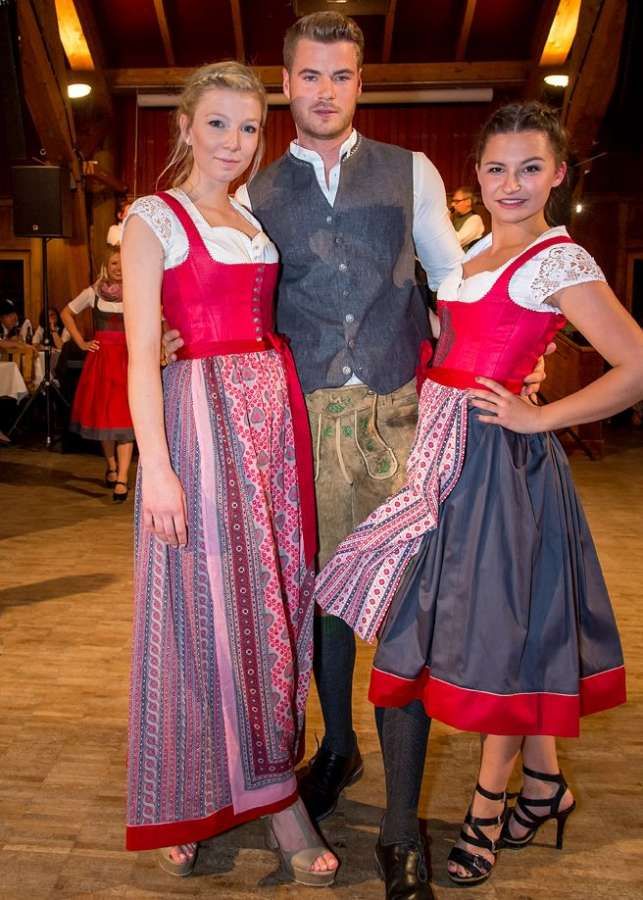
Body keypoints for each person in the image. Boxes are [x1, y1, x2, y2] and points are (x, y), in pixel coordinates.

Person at [161, 14, 548, 897]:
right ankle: (336, 747)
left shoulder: (411, 171)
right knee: (323, 602)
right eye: (309, 76)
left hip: (400, 417)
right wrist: (170, 342)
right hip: (297, 425)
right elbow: (223, 293)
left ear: (359, 83)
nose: (324, 91)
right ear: (285, 84)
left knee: (404, 612)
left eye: (340, 75)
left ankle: (401, 827)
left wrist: (511, 355)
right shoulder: (252, 191)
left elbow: (454, 281)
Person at [315, 101, 643, 889]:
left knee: (500, 631)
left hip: (500, 462)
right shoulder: (474, 251)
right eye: (496, 168)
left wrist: (540, 416)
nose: (511, 183)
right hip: (441, 454)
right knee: (486, 621)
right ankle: (544, 783)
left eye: (529, 168)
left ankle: (487, 808)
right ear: (477, 174)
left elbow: (634, 364)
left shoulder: (560, 260)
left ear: (557, 174)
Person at [121, 61, 338, 887]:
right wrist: (158, 470)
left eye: (248, 127)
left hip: (267, 422)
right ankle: (205, 793)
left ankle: (263, 776)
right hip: (202, 424)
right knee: (201, 605)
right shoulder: (154, 217)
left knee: (269, 605)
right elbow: (142, 352)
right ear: (184, 126)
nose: (234, 142)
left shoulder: (247, 215)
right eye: (217, 123)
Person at [61, 248, 134, 501]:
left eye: (123, 263)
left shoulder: (136, 290)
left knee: (126, 419)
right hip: (102, 361)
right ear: (106, 265)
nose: (119, 268)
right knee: (105, 417)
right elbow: (66, 313)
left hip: (127, 360)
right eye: (114, 263)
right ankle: (112, 466)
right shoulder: (93, 292)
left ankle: (122, 478)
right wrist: (81, 342)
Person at [450, 185, 485, 250]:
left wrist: (445, 221)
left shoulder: (475, 220)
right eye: (453, 201)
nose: (452, 204)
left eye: (457, 201)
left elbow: (456, 242)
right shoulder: (456, 216)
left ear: (468, 202)